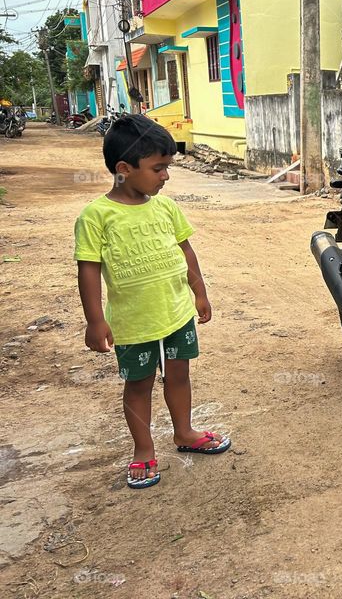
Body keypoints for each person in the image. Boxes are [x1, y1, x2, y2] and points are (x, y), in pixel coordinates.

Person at [74, 114, 231, 489]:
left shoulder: (166, 208)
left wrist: (199, 290)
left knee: (179, 375)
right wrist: (96, 321)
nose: (166, 176)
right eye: (159, 168)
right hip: (133, 322)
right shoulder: (97, 217)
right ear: (124, 169)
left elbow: (185, 250)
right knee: (139, 385)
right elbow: (89, 271)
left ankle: (185, 433)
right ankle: (143, 450)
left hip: (176, 314)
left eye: (167, 167)